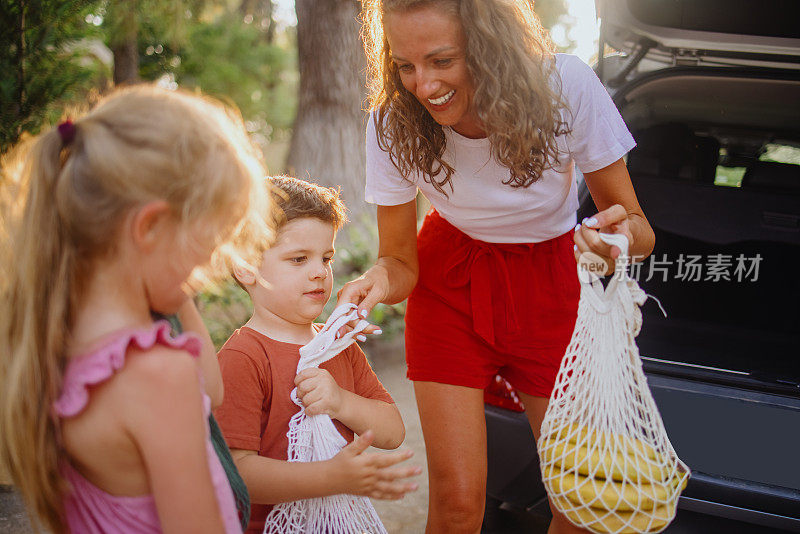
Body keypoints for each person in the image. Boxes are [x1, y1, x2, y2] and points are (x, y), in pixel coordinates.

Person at [340, 1, 657, 533]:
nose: (423, 84)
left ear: (488, 46)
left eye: (442, 60)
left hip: (552, 284)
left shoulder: (566, 85)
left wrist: (618, 237)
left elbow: (640, 230)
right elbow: (398, 261)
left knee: (583, 505)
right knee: (459, 502)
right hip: (449, 283)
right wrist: (377, 282)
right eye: (405, 65)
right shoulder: (391, 121)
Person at [0, 85, 273, 533]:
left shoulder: (50, 345)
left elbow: (212, 389)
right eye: (207, 243)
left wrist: (167, 279)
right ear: (148, 226)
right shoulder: (157, 375)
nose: (208, 266)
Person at [214, 176, 420, 534]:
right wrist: (329, 477)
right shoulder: (242, 357)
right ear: (246, 267)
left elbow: (393, 432)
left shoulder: (337, 344)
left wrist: (340, 402)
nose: (319, 273)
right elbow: (238, 473)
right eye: (298, 259)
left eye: (325, 258)